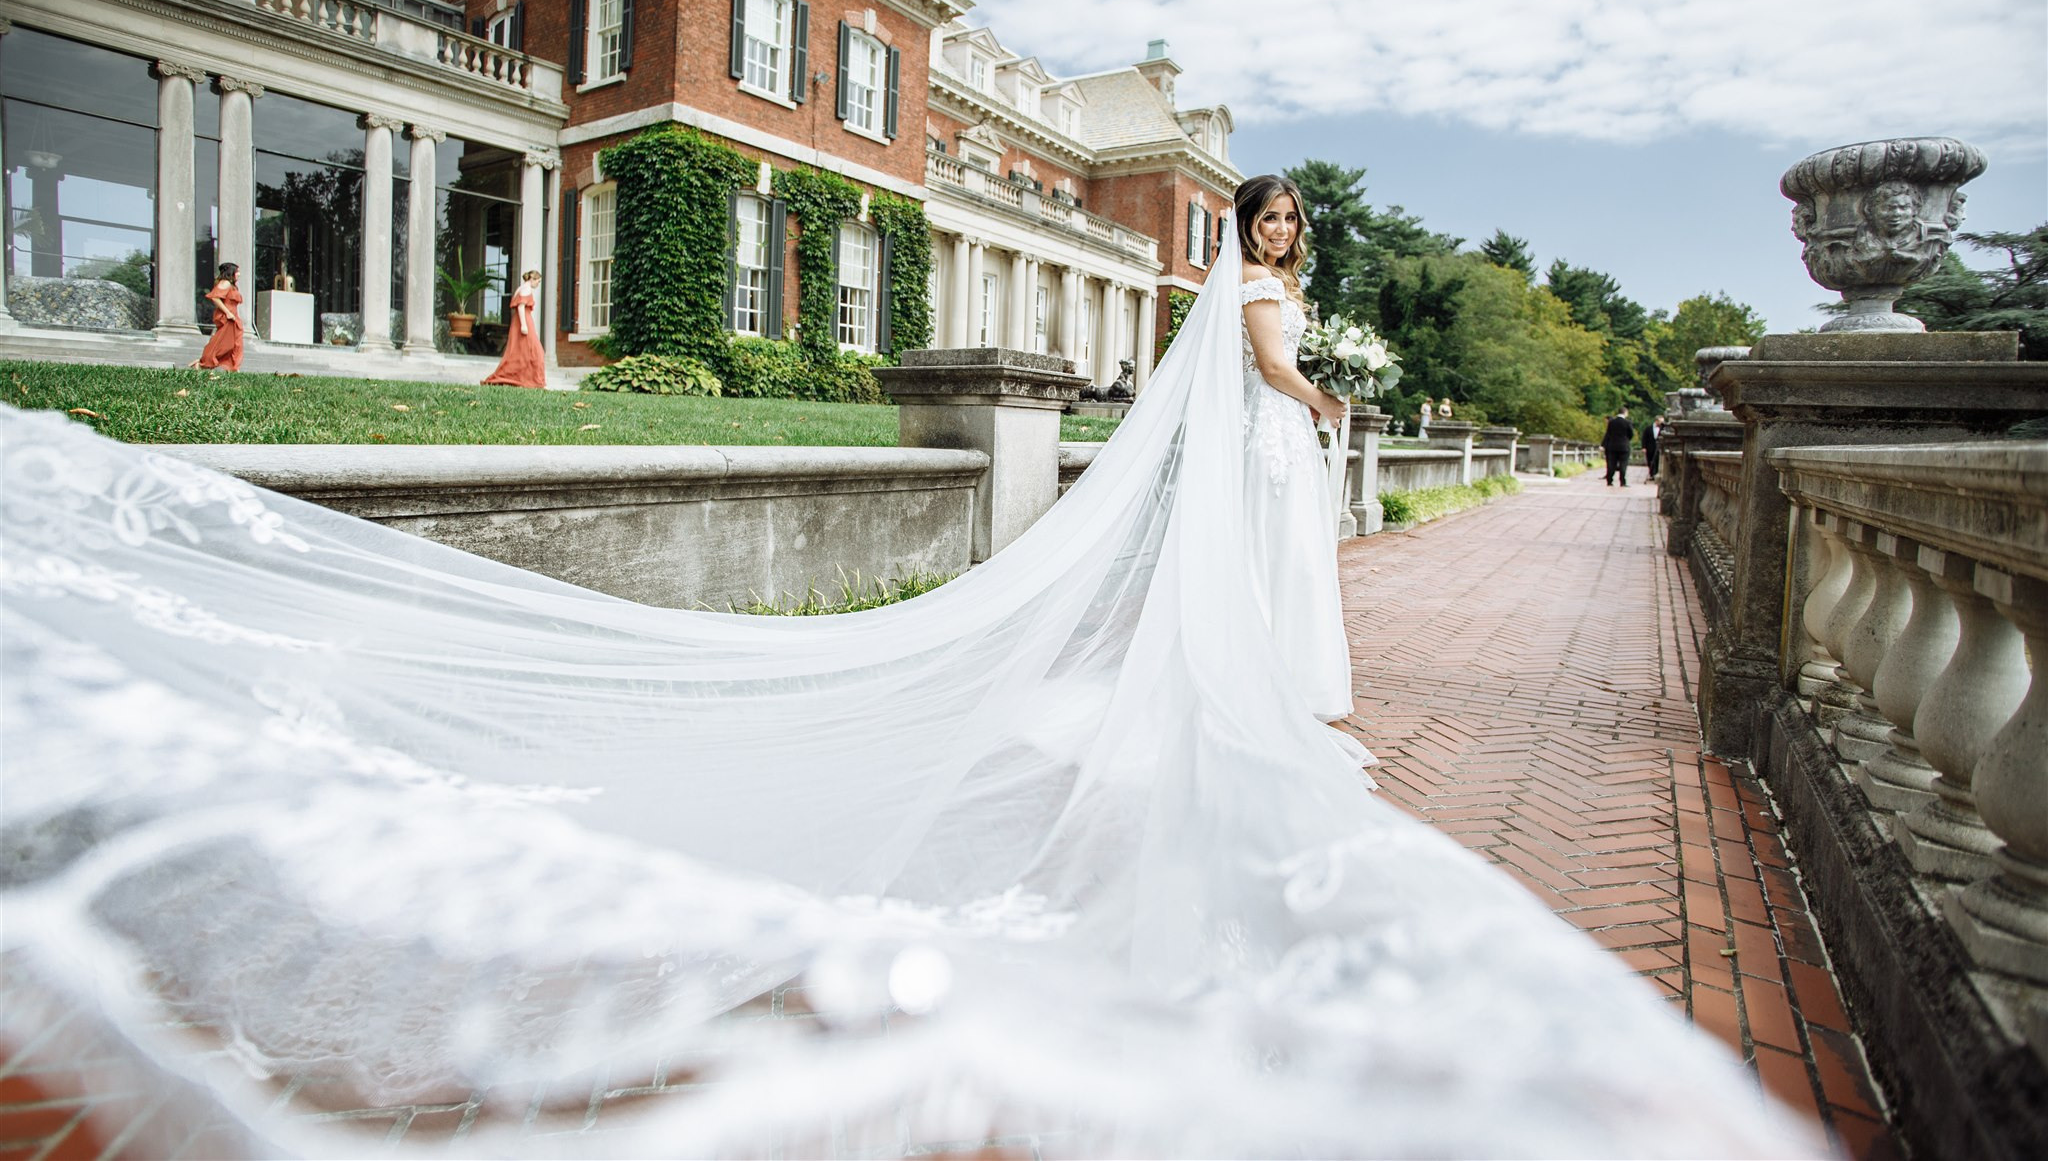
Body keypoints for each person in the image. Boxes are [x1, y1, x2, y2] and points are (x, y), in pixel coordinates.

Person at [0, 183, 1813, 1156]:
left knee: (1268, 579)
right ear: (1236, 237)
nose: (1272, 243)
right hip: (1272, 448)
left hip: (1267, 469)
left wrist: (1310, 390)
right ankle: (1258, 683)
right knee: (1254, 586)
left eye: (1278, 229)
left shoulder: (1254, 279)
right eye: (1258, 226)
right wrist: (1324, 393)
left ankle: (1272, 675)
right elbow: (1260, 379)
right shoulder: (1246, 308)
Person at [1236, 174, 1366, 730]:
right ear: (1247, 222)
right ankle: (1260, 679)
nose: (1282, 229)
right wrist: (1325, 402)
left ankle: (1284, 673)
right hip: (1269, 425)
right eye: (1270, 218)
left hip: (1283, 421)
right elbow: (1271, 366)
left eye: (1290, 218)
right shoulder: (1256, 280)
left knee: (1290, 546)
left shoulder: (1276, 280)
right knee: (1276, 545)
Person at [482, 268, 546, 388]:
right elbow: (521, 307)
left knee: (521, 351)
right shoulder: (526, 289)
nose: (538, 284)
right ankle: (534, 380)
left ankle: (525, 378)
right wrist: (524, 325)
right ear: (533, 279)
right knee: (536, 351)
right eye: (538, 281)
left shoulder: (520, 289)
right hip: (523, 321)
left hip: (520, 321)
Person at [187, 262, 244, 372]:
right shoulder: (225, 283)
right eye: (237, 272)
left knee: (236, 343)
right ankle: (203, 363)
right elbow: (215, 297)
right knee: (223, 343)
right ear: (231, 272)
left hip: (233, 317)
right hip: (228, 317)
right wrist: (227, 312)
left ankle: (234, 367)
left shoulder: (231, 285)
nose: (239, 274)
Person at [1602, 406, 1633, 486]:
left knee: (1611, 464)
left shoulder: (1611, 422)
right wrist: (1626, 440)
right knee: (1623, 464)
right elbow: (1631, 434)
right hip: (1624, 446)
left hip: (1613, 445)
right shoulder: (1627, 422)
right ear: (1625, 412)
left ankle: (1609, 480)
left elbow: (1608, 433)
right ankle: (1622, 482)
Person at [1643, 413, 1664, 480]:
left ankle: (1656, 474)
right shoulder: (1648, 428)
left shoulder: (1663, 429)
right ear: (1656, 421)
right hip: (1650, 447)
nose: (1662, 423)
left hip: (1658, 447)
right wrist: (1644, 447)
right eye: (1661, 422)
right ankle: (1651, 474)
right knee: (1650, 460)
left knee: (1657, 460)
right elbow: (1644, 438)